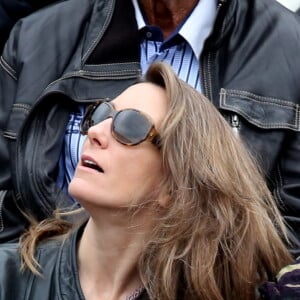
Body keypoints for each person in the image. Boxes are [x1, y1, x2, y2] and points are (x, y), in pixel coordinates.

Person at [0, 0, 300, 258]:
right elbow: (8, 212)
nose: (96, 133)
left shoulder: (287, 45)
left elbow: (289, 234)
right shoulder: (37, 39)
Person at [0, 62, 296, 300]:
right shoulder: (7, 276)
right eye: (100, 114)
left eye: (129, 126)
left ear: (175, 184)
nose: (95, 133)